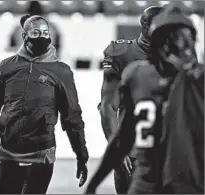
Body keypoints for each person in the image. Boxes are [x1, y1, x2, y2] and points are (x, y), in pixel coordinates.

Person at [0, 14, 89, 194]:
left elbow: (72, 117)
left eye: (45, 32)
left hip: (42, 155)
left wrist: (81, 154)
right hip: (8, 155)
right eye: (36, 32)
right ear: (24, 36)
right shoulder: (6, 67)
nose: (42, 36)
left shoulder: (61, 71)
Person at [86, 5, 203, 194]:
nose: (182, 44)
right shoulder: (134, 71)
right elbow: (114, 118)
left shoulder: (196, 77)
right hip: (142, 165)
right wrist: (96, 180)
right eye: (176, 37)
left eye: (186, 38)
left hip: (184, 171)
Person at [98, 6, 162, 193]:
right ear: (145, 25)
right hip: (135, 152)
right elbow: (108, 106)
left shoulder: (175, 56)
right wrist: (117, 150)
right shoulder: (122, 53)